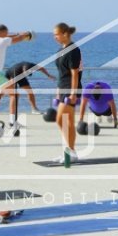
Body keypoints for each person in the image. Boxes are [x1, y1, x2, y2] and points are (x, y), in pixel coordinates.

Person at [0, 25, 35, 118]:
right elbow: (19, 38)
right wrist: (26, 34)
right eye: (6, 33)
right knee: (14, 95)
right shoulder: (4, 41)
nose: (7, 35)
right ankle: (12, 121)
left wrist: (16, 34)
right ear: (3, 32)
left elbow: (5, 37)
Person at [51, 22, 82, 168]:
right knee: (67, 121)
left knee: (60, 120)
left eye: (56, 34)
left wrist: (73, 94)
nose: (55, 37)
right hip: (63, 88)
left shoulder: (73, 50)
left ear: (65, 34)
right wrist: (58, 92)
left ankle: (70, 152)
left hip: (71, 89)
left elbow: (75, 74)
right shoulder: (60, 50)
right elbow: (61, 74)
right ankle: (70, 152)